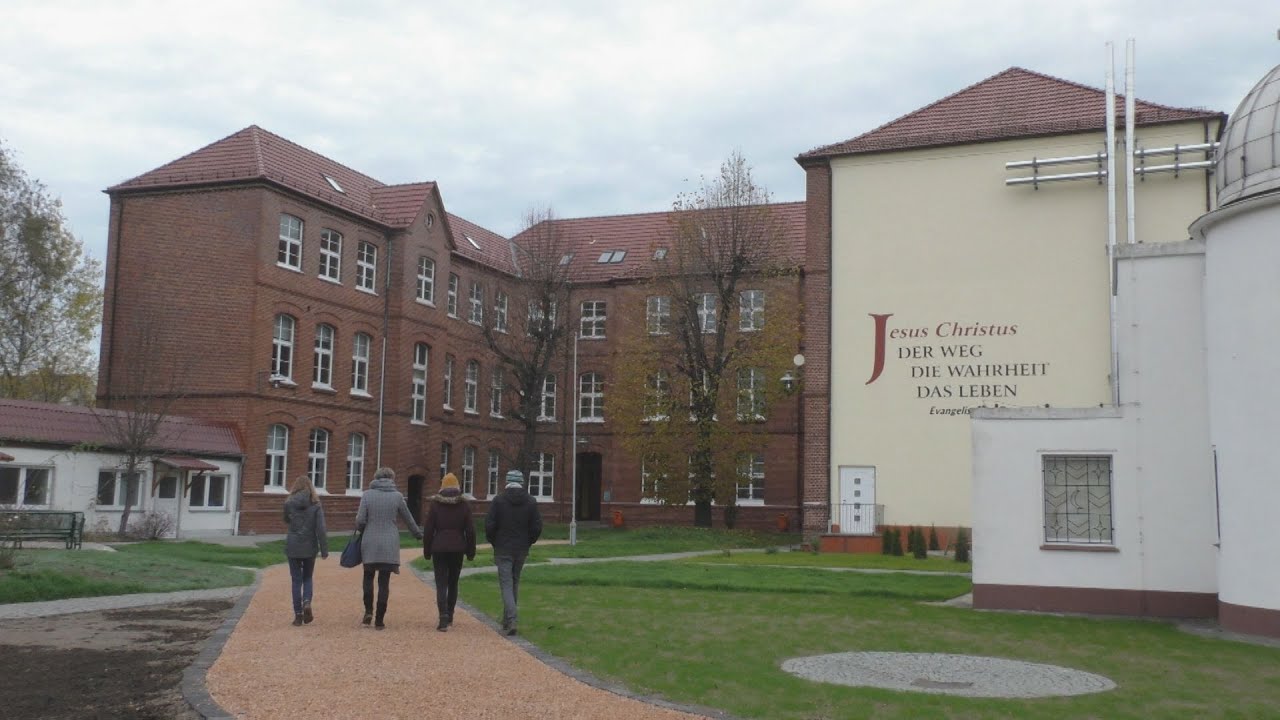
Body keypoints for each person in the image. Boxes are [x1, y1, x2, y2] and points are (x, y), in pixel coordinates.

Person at [355, 467, 422, 629]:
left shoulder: (367, 495)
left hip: (370, 540)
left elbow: (360, 520)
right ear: (391, 479)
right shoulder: (397, 496)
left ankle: (368, 612)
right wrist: (418, 534)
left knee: (368, 577)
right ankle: (379, 619)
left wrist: (363, 529)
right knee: (384, 581)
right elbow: (409, 518)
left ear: (375, 478)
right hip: (389, 542)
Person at [484, 468, 542, 636]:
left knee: (506, 584)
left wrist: (494, 541)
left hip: (503, 547)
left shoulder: (498, 501)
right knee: (514, 582)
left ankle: (511, 619)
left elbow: (490, 525)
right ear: (521, 482)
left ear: (507, 482)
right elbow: (537, 526)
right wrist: (529, 541)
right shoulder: (531, 501)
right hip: (521, 548)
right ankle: (507, 620)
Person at [422, 472, 476, 631]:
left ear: (442, 487)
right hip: (458, 547)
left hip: (439, 547)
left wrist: (427, 550)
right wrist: (471, 551)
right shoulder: (464, 504)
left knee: (441, 583)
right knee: (453, 582)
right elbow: (470, 531)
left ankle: (442, 617)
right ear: (458, 487)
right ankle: (450, 615)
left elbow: (428, 530)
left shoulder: (436, 504)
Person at [283, 475, 329, 627]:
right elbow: (321, 529)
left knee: (296, 580)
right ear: (311, 488)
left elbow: (286, 520)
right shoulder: (316, 504)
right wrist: (324, 550)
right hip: (309, 546)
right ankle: (307, 602)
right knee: (307, 577)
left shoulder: (288, 503)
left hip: (293, 545)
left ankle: (298, 615)